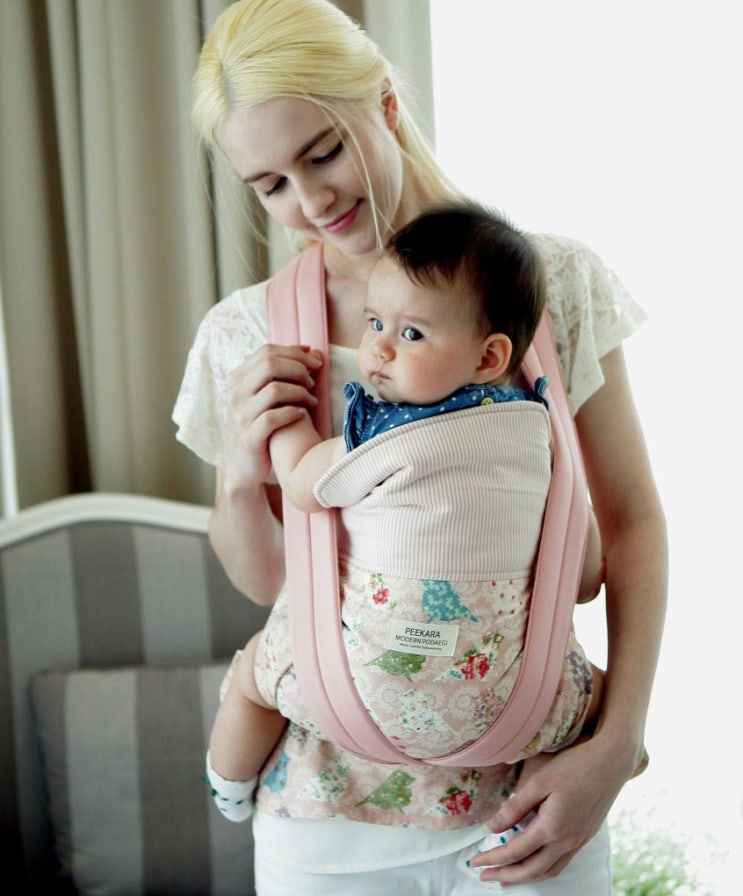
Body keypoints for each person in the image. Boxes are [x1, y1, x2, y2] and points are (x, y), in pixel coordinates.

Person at [173, 0, 667, 892]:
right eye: (270, 185)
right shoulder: (245, 335)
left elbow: (629, 525)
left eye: (322, 152)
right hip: (326, 826)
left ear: (386, 101)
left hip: (534, 806)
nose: (310, 199)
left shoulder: (551, 284)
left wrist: (617, 740)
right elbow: (271, 583)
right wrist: (243, 473)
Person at [205, 201, 607, 824]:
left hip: (368, 692)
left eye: (411, 334)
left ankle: (228, 788)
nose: (379, 350)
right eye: (374, 322)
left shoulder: (386, 432)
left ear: (488, 357)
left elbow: (306, 483)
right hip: (512, 702)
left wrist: (287, 425)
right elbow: (583, 577)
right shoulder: (540, 433)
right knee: (596, 697)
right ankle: (594, 771)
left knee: (256, 678)